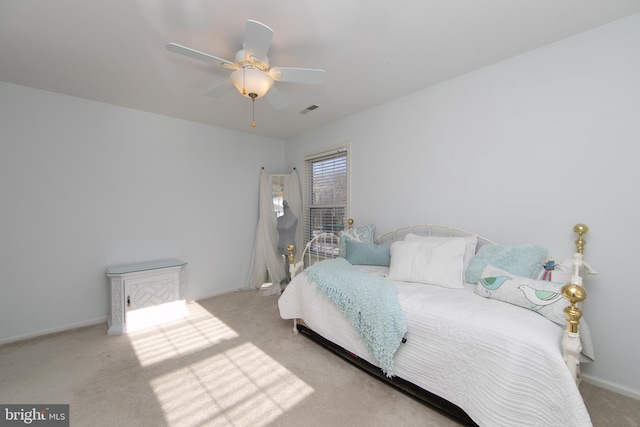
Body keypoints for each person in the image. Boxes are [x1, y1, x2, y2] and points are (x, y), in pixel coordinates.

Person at [277, 200, 298, 284]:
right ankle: (287, 278)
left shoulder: (294, 219)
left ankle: (290, 279)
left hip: (290, 245)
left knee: (289, 263)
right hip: (280, 243)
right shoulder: (279, 219)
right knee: (285, 263)